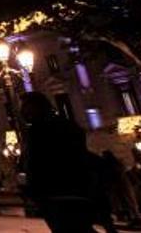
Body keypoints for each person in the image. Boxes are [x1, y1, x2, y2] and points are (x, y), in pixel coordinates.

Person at [21, 92, 96, 233]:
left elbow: (35, 165)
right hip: (78, 191)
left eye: (26, 107)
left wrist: (34, 191)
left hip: (56, 194)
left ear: (36, 107)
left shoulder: (38, 131)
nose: (22, 112)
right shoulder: (69, 126)